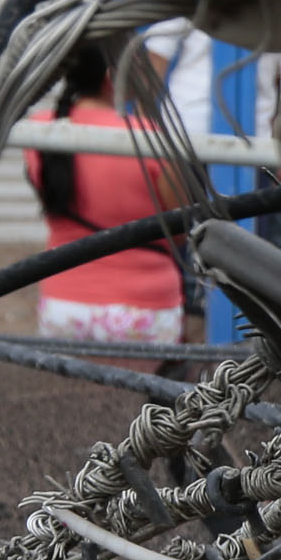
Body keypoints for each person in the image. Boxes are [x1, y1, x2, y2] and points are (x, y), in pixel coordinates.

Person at [27, 40, 195, 367]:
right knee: (147, 395)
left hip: (63, 308)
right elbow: (180, 230)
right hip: (146, 311)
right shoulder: (152, 137)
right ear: (110, 76)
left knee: (71, 395)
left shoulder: (39, 129)